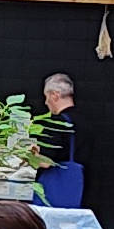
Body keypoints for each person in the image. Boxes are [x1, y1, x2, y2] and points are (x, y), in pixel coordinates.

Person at [36, 72, 82, 208]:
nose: (45, 102)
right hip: (80, 189)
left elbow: (45, 162)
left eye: (46, 97)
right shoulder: (86, 121)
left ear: (54, 95)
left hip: (56, 190)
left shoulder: (56, 122)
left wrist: (28, 153)